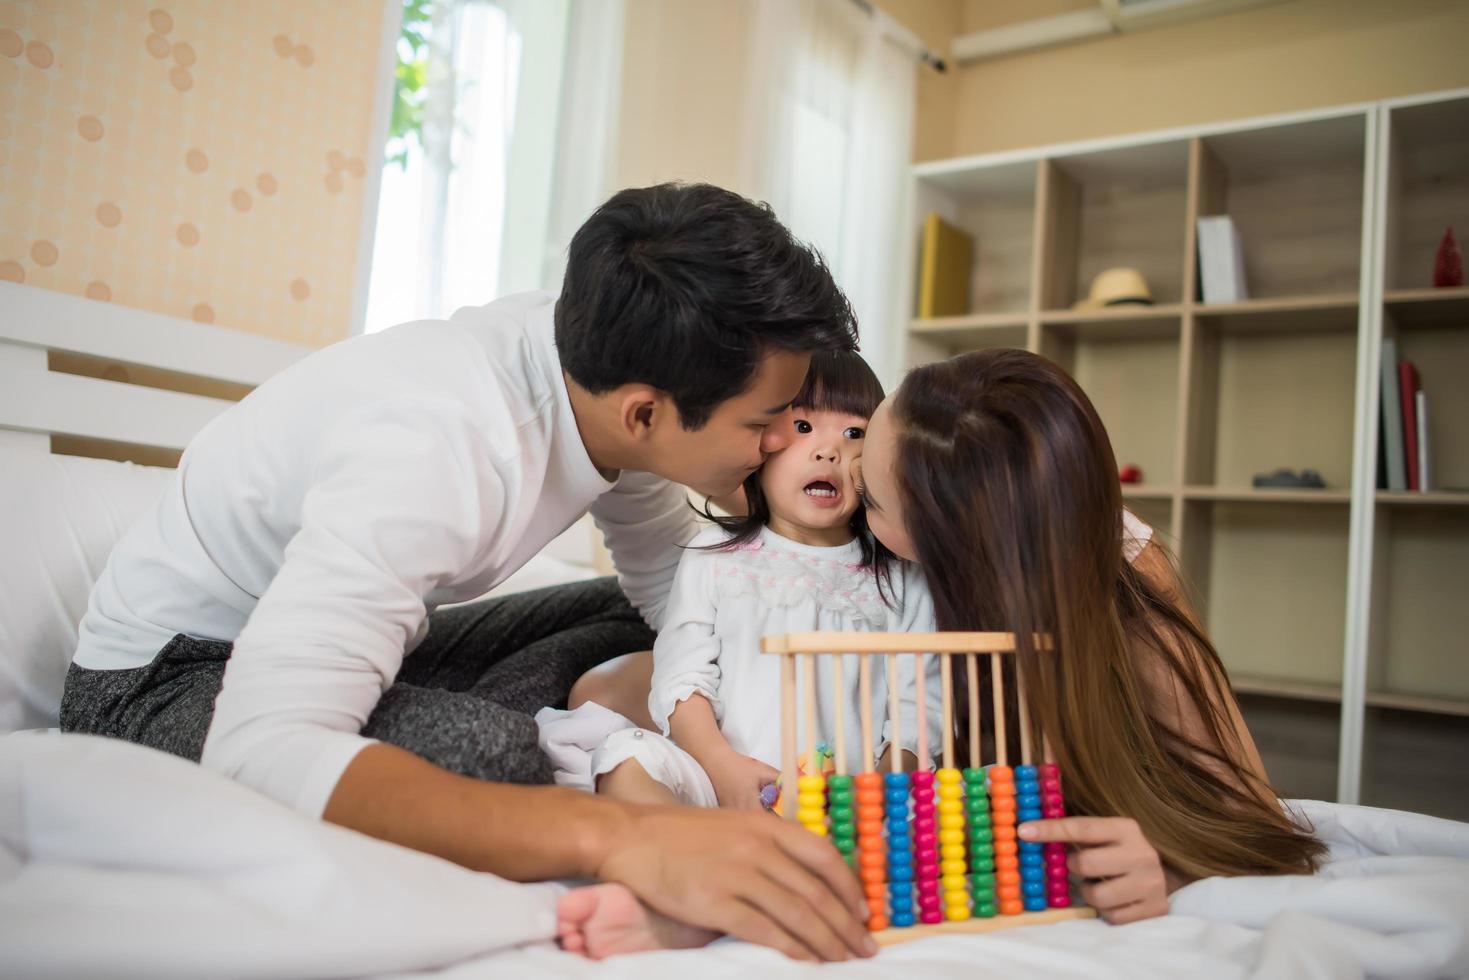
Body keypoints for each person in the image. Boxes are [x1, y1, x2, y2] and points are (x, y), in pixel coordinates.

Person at [59, 182, 879, 963]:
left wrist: (794, 718)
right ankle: (564, 753)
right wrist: (629, 837)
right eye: (767, 422)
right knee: (494, 758)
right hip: (171, 680)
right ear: (644, 412)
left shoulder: (599, 359)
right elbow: (261, 745)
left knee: (708, 598)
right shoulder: (433, 448)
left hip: (355, 645)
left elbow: (670, 582)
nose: (780, 445)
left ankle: (563, 732)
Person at [851, 347, 1326, 925]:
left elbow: (1252, 820)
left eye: (871, 501)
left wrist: (1166, 869)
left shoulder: (1131, 599)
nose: (843, 476)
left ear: (952, 545)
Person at [567, 350, 938, 811]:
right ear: (764, 443)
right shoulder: (714, 556)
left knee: (940, 800)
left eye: (854, 433)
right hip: (719, 778)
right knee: (626, 758)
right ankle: (683, 848)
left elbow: (919, 709)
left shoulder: (901, 580)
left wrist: (877, 793)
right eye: (803, 428)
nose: (829, 451)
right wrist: (721, 767)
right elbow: (683, 678)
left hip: (843, 801)